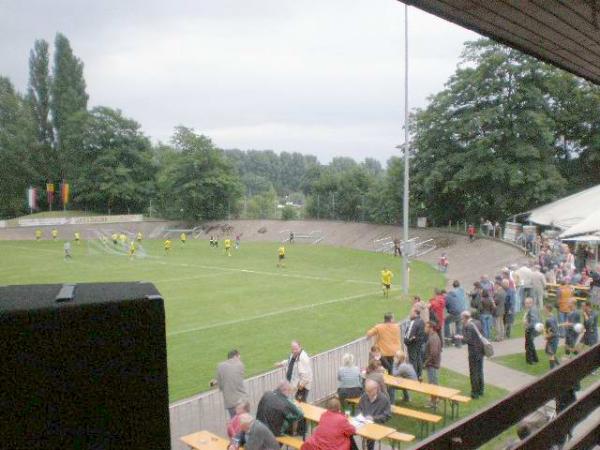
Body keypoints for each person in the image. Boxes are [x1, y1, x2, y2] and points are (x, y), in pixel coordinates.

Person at [211, 349, 247, 418]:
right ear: (235, 356)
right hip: (242, 400)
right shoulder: (240, 365)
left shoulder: (220, 366)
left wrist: (215, 382)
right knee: (245, 422)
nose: (239, 359)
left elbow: (221, 385)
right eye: (239, 357)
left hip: (231, 402)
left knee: (236, 423)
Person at [357, 380, 391, 450]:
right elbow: (359, 408)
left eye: (369, 391)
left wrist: (373, 418)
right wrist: (360, 414)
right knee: (348, 432)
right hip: (363, 422)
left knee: (370, 436)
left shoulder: (384, 399)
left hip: (376, 424)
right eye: (366, 391)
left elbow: (387, 415)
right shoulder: (364, 396)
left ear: (376, 389)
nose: (367, 393)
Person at [459, 311, 485, 399]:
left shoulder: (468, 326)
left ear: (465, 318)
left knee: (473, 372)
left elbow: (468, 340)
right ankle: (481, 390)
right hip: (481, 350)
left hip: (473, 352)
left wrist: (461, 337)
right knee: (480, 371)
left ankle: (475, 393)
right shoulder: (478, 322)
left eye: (462, 318)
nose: (461, 320)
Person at [366, 312, 400, 376]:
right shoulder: (396, 326)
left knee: (384, 369)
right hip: (394, 352)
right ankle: (391, 382)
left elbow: (369, 334)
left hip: (383, 352)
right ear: (391, 319)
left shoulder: (379, 327)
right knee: (391, 369)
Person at [423, 321, 442, 409]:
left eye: (426, 327)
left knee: (433, 384)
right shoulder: (432, 336)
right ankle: (434, 399)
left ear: (431, 328)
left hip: (432, 365)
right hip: (433, 364)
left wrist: (426, 362)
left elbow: (433, 353)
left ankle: (433, 403)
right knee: (433, 383)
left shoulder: (433, 338)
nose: (425, 329)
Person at [404, 308, 426, 381]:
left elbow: (408, 335)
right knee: (418, 358)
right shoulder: (421, 321)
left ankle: (414, 377)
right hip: (419, 343)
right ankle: (419, 375)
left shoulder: (414, 322)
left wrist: (406, 341)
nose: (410, 314)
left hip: (413, 344)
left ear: (415, 313)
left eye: (411, 313)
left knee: (413, 360)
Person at [444, 282, 464, 347]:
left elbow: (444, 305)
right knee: (458, 327)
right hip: (460, 313)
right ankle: (458, 343)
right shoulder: (456, 296)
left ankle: (448, 339)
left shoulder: (447, 297)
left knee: (445, 322)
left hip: (454, 313)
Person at [523, 297, 540, 365]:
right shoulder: (532, 309)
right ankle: (535, 359)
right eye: (525, 303)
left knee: (529, 345)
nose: (525, 305)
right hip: (531, 329)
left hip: (530, 330)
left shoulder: (532, 310)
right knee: (531, 345)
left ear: (531, 303)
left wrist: (527, 326)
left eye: (527, 303)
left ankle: (530, 361)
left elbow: (534, 322)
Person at [543, 304, 560, 369]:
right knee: (550, 352)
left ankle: (552, 371)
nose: (543, 310)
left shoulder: (549, 320)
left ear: (547, 309)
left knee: (551, 354)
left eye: (544, 309)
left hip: (553, 339)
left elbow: (553, 332)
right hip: (552, 339)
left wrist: (546, 336)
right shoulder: (553, 316)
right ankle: (559, 366)